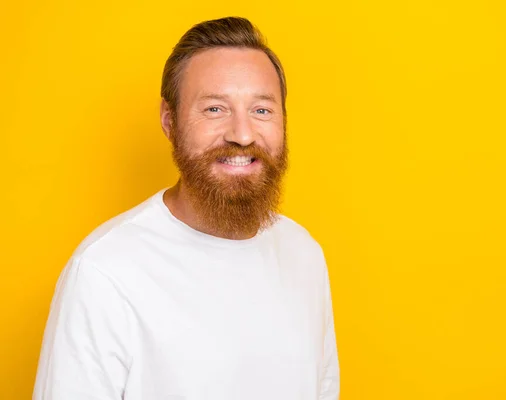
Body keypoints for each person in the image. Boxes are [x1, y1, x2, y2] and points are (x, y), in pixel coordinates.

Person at [33, 16, 340, 400]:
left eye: (262, 110)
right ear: (170, 120)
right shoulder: (104, 273)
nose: (242, 134)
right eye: (214, 109)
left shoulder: (304, 254)